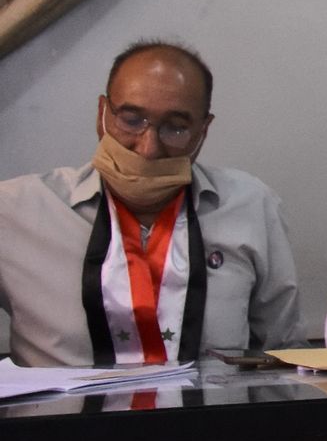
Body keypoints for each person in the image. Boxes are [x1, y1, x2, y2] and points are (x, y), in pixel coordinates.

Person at [0, 42, 304, 366]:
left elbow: (284, 354)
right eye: (131, 120)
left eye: (175, 127)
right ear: (102, 113)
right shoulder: (16, 210)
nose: (148, 148)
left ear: (203, 129)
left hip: (211, 415)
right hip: (60, 417)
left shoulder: (250, 206)